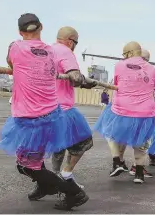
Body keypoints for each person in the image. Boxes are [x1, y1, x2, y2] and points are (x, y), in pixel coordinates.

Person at [0, 13, 88, 210]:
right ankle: (46, 186)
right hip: (51, 116)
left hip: (31, 119)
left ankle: (74, 193)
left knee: (26, 166)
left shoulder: (15, 47)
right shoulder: (51, 51)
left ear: (20, 31)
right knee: (31, 163)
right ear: (41, 27)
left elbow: (11, 63)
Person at [94, 41, 155, 184]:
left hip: (123, 110)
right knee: (140, 143)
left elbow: (117, 84)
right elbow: (151, 86)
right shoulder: (152, 69)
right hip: (145, 112)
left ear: (129, 53)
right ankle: (139, 174)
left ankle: (117, 161)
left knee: (109, 132)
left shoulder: (120, 65)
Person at [49, 26, 96, 192]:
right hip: (63, 108)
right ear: (70, 41)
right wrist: (87, 82)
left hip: (46, 107)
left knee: (59, 144)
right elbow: (76, 78)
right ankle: (66, 173)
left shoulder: (48, 50)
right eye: (75, 43)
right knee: (85, 142)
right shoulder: (65, 52)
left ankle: (54, 176)